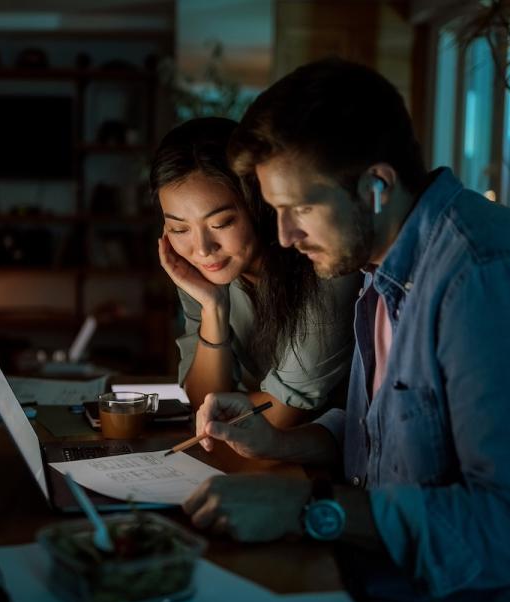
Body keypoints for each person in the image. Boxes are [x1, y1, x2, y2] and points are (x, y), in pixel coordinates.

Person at [182, 60, 510, 602]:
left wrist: (304, 508)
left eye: (300, 209)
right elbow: (398, 436)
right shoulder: (384, 270)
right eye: (275, 213)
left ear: (377, 186)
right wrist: (282, 442)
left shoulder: (488, 278)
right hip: (399, 581)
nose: (283, 237)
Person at [151, 117, 360, 428]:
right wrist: (213, 308)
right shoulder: (202, 268)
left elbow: (283, 413)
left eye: (221, 223)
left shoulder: (322, 261)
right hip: (258, 452)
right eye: (179, 228)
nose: (202, 248)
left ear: (258, 204)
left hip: (338, 458)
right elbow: (205, 402)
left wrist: (218, 414)